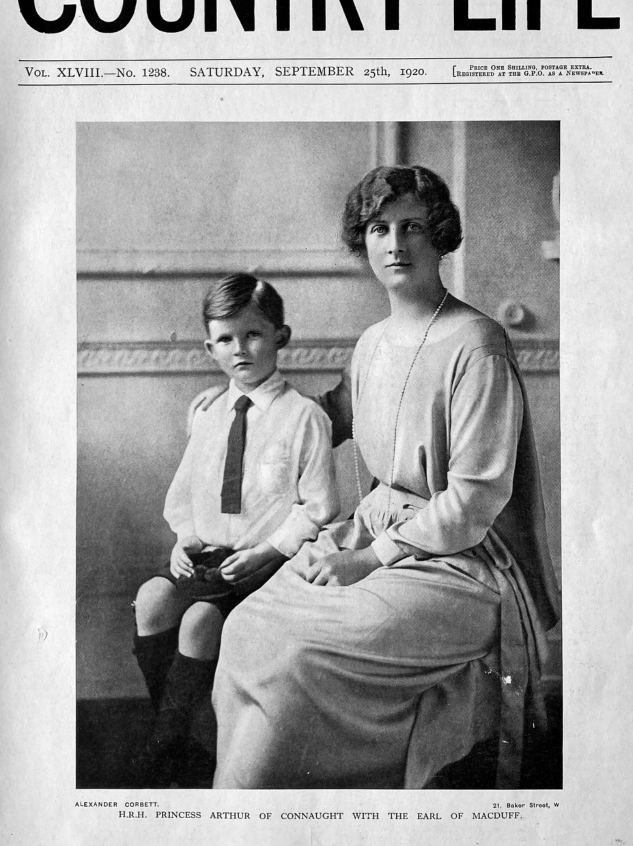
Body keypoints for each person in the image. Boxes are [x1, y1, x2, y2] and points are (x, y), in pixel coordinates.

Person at [211, 165, 561, 790]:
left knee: (297, 655)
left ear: (441, 237)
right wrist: (246, 411)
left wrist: (373, 559)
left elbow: (474, 499)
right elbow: (330, 416)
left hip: (463, 562)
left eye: (412, 228)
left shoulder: (478, 344)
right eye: (379, 228)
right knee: (246, 628)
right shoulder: (371, 342)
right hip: (368, 537)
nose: (395, 243)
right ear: (364, 241)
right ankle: (240, 812)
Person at [132, 274, 339, 786]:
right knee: (151, 600)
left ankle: (166, 748)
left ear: (281, 338)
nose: (239, 349)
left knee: (200, 622)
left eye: (253, 335)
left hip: (263, 564)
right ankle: (177, 735)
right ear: (209, 347)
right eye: (225, 339)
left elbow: (318, 507)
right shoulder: (209, 413)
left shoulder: (303, 417)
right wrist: (183, 540)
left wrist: (268, 551)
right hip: (207, 555)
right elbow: (187, 492)